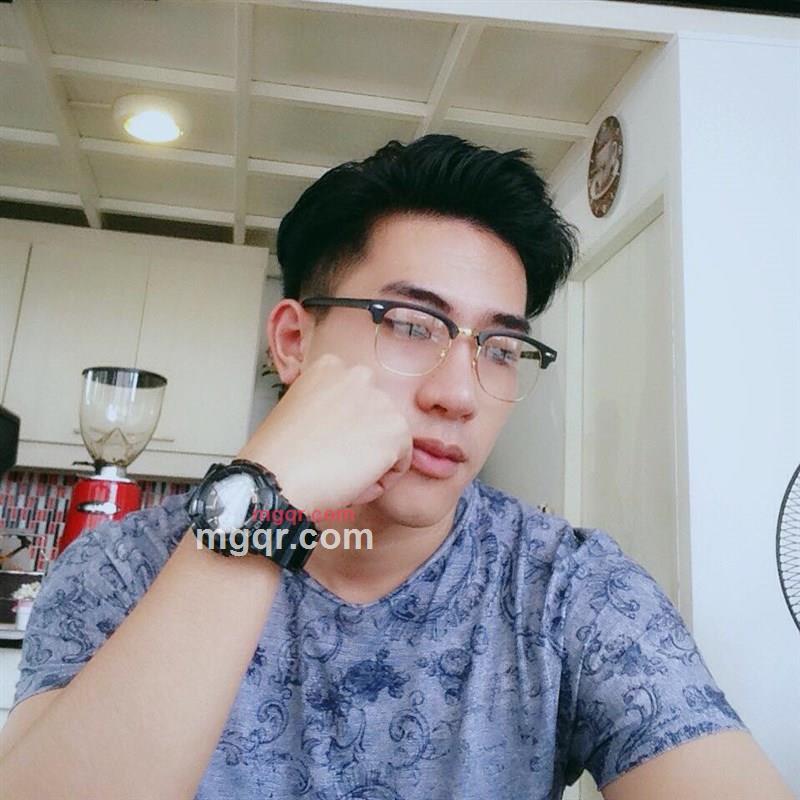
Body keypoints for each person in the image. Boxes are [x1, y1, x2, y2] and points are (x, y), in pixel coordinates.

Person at [0, 135, 793, 800]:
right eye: (412, 325)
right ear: (293, 342)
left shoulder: (565, 589)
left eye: (501, 348)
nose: (460, 394)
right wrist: (265, 498)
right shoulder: (119, 569)